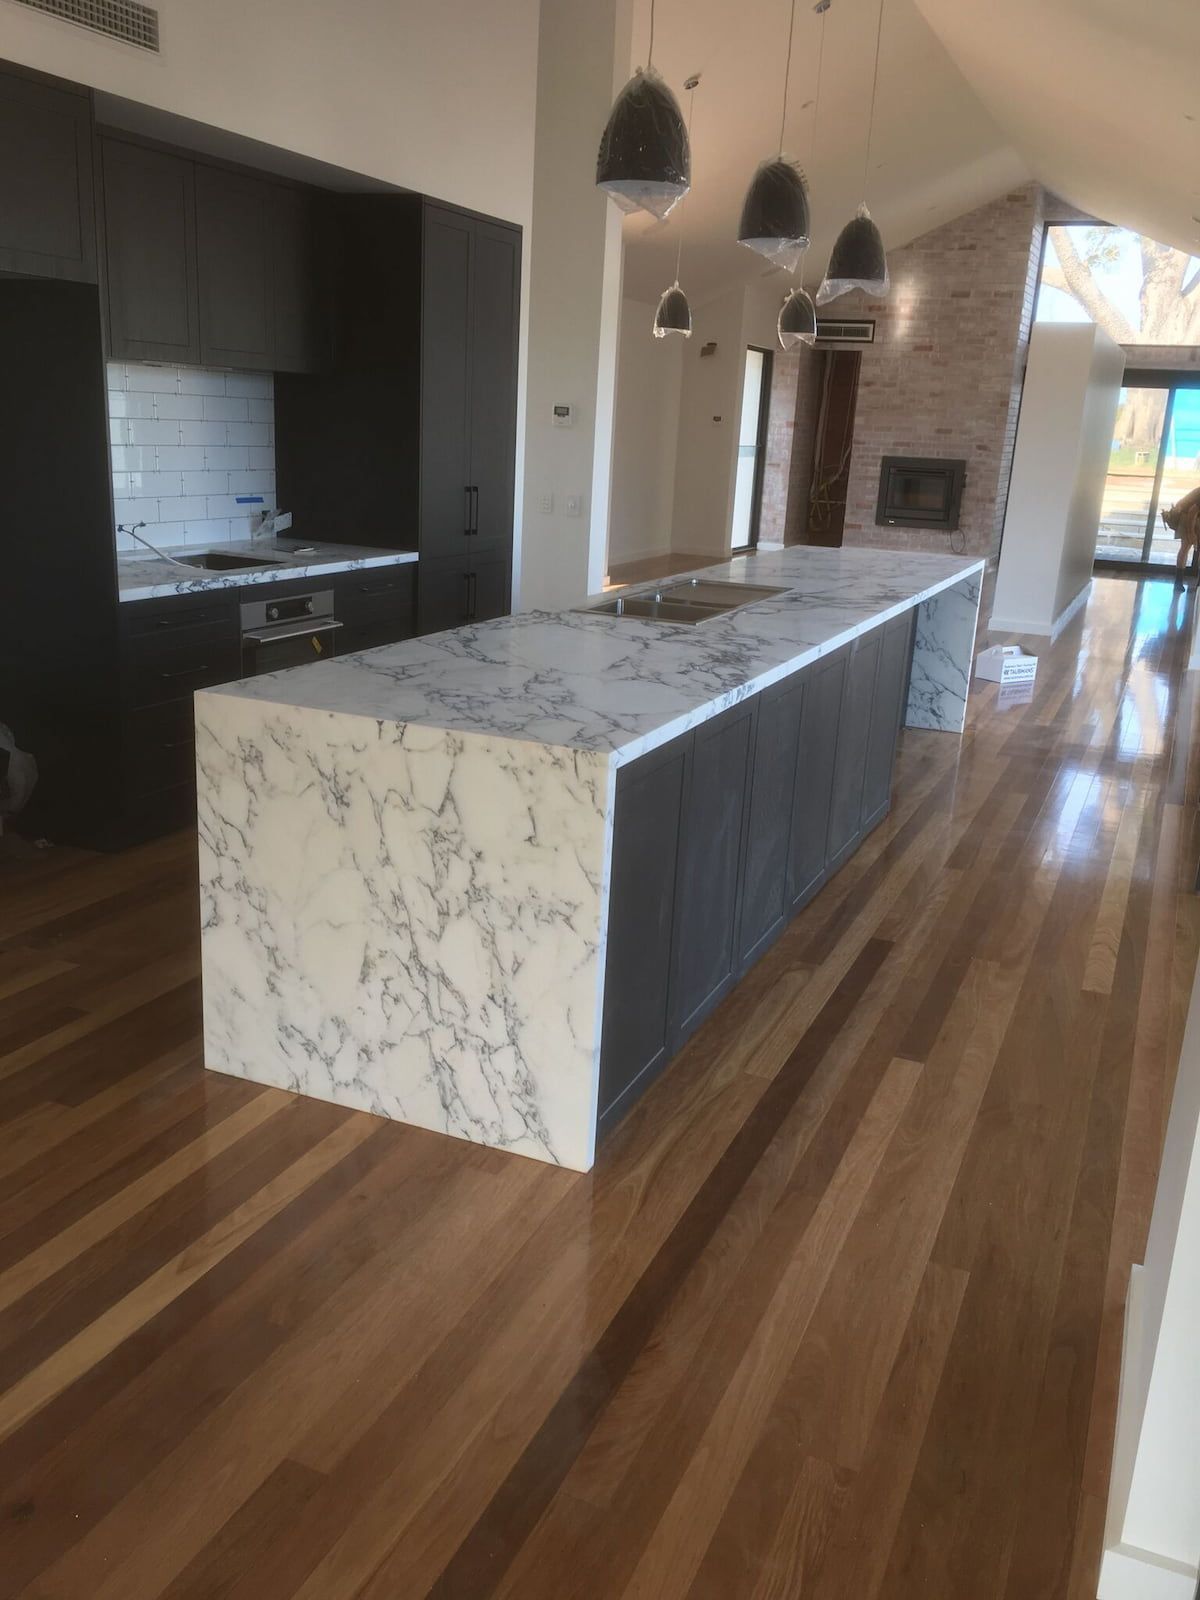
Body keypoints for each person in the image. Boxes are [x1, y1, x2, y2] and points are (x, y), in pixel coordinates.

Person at [1162, 485, 1200, 585]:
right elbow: (1192, 513)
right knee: (1185, 547)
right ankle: (1178, 582)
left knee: (1185, 548)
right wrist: (1191, 533)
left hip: (1193, 517)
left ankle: (1182, 582)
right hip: (1186, 517)